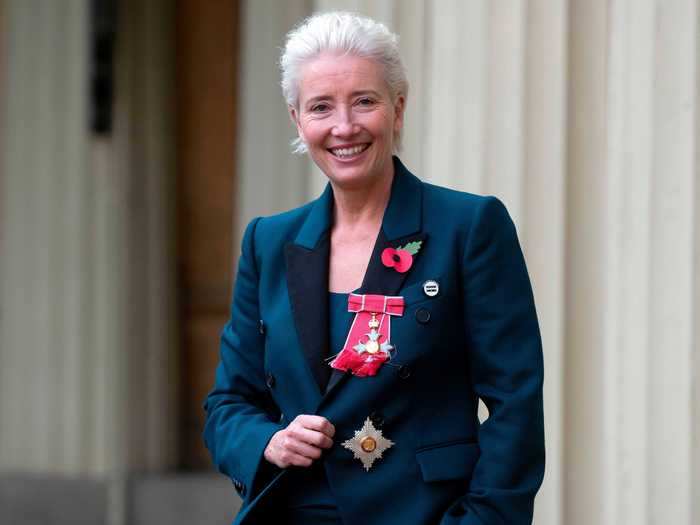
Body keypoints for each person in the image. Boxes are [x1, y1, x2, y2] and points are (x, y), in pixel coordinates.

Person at [203, 11, 544, 525]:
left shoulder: (470, 226)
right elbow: (229, 402)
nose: (344, 127)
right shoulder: (268, 242)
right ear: (298, 120)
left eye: (364, 100)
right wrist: (268, 441)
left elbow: (515, 404)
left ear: (397, 109)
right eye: (321, 107)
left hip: (422, 514)